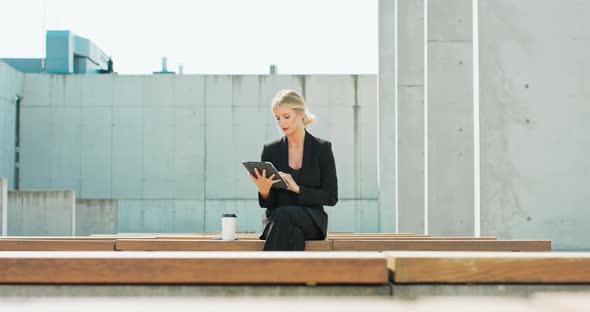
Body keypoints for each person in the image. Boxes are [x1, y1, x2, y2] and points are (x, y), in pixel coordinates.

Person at [248, 89, 338, 251]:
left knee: (284, 214)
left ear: (301, 114)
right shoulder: (270, 150)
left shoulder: (322, 148)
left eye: (286, 116)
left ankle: (264, 271)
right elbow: (269, 203)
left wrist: (297, 189)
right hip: (278, 220)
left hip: (311, 219)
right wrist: (264, 191)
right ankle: (286, 275)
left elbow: (331, 197)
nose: (282, 123)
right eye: (277, 118)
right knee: (293, 233)